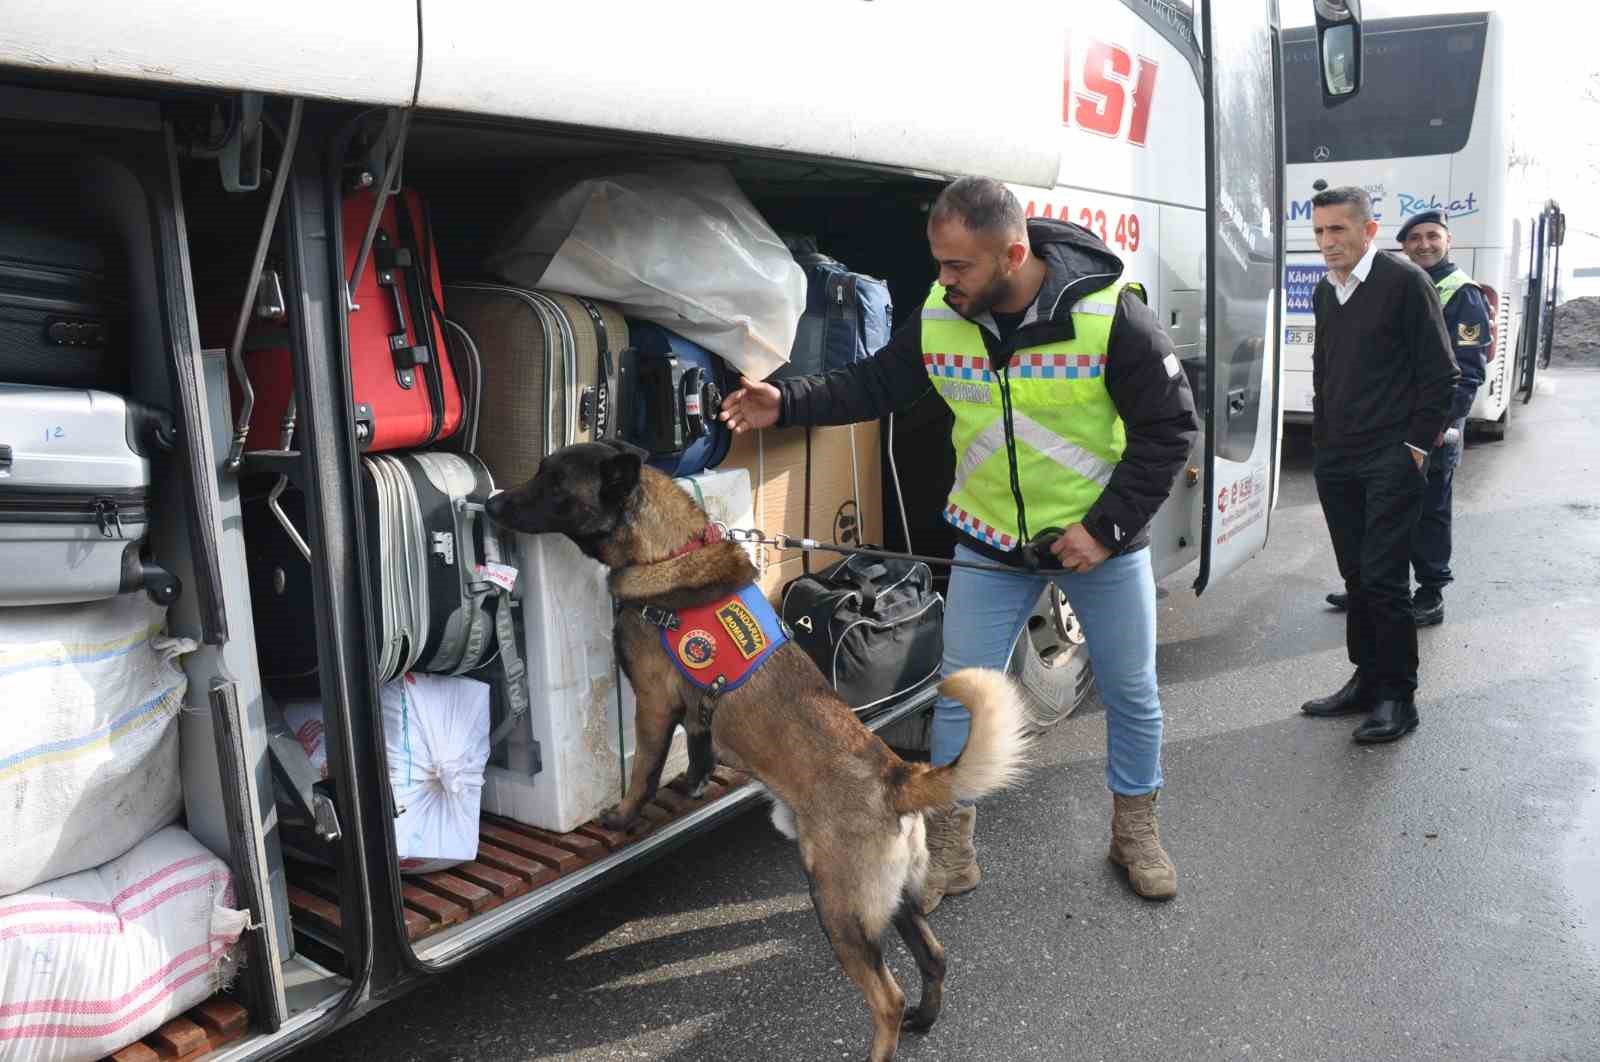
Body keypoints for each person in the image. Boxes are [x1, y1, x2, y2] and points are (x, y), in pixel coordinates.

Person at [718, 176, 1198, 906]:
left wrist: (1105, 529)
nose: (942, 281)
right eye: (938, 263)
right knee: (961, 696)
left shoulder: (1111, 318)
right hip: (987, 541)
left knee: (1133, 693)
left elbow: (1169, 432)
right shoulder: (943, 314)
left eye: (957, 266)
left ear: (1012, 254)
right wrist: (786, 401)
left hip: (1100, 544)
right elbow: (874, 383)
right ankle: (950, 851)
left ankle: (1134, 831)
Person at [1300, 187, 1459, 744]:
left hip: (1390, 458)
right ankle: (1367, 680)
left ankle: (1398, 697)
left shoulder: (1404, 282)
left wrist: (1414, 449)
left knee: (1387, 580)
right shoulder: (1326, 289)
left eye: (1337, 230)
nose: (1326, 243)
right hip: (1338, 458)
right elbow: (1325, 368)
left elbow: (1442, 375)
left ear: (1368, 231)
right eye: (1319, 232)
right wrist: (1322, 443)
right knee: (1357, 577)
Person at [1323, 209, 1491, 626]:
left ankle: (1431, 593)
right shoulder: (1393, 285)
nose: (1424, 245)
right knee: (1375, 512)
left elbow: (1466, 372)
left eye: (1432, 236)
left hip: (1432, 429)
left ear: (1448, 241)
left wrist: (1435, 428)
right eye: (1414, 238)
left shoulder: (1460, 292)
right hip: (1387, 429)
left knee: (1429, 511)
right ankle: (1368, 584)